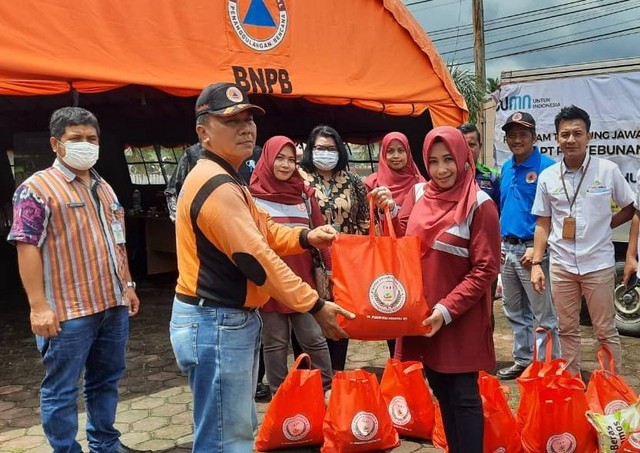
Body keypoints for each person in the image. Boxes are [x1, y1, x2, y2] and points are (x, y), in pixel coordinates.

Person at [170, 82, 353, 452]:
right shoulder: (216, 185)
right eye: (231, 120)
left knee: (228, 427)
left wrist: (305, 238)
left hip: (220, 320)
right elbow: (257, 257)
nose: (246, 128)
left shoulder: (228, 178)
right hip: (216, 321)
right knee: (226, 436)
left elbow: (264, 229)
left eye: (249, 119)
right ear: (203, 132)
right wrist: (315, 305)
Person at [7, 107, 146, 453]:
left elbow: (118, 240)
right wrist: (39, 307)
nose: (86, 145)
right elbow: (26, 247)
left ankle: (105, 444)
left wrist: (127, 286)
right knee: (62, 389)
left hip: (111, 304)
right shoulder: (36, 188)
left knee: (106, 382)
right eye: (76, 139)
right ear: (56, 144)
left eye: (91, 139)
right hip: (68, 312)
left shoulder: (105, 188)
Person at [370, 126, 500, 453]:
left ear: (463, 158)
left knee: (464, 395)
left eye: (448, 160)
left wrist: (445, 310)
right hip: (422, 313)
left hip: (459, 316)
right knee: (440, 388)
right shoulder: (418, 193)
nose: (442, 169)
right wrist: (391, 209)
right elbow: (407, 240)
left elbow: (486, 268)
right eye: (434, 161)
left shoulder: (479, 204)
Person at [531, 105, 634, 375]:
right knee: (566, 329)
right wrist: (536, 263)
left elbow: (632, 208)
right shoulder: (548, 177)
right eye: (565, 134)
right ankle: (572, 385)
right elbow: (543, 221)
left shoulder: (607, 170)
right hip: (562, 265)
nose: (571, 139)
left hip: (598, 264)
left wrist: (608, 227)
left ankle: (611, 388)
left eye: (578, 133)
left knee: (605, 330)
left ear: (589, 136)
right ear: (556, 139)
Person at [249, 135, 333, 394]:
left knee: (314, 338)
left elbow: (321, 234)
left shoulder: (305, 195)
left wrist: (329, 273)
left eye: (291, 160)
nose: (286, 165)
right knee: (274, 343)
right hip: (270, 282)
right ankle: (281, 397)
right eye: (279, 158)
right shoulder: (251, 197)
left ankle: (327, 391)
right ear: (266, 159)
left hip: (302, 280)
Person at [299, 124, 370, 372]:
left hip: (345, 264)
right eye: (320, 148)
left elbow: (364, 222)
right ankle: (310, 379)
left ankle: (336, 375)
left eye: (331, 148)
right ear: (310, 149)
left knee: (339, 319)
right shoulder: (298, 178)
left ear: (340, 150)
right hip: (309, 261)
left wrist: (359, 258)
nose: (325, 153)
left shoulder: (353, 181)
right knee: (308, 319)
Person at [497, 111, 561, 380]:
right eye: (512, 135)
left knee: (543, 316)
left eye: (523, 134)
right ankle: (523, 360)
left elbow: (557, 213)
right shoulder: (506, 167)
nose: (517, 139)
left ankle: (549, 369)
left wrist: (538, 250)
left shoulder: (548, 167)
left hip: (532, 252)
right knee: (514, 312)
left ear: (534, 137)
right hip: (507, 250)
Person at [364, 131, 425, 357]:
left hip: (411, 257)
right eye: (390, 151)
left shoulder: (420, 184)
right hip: (382, 258)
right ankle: (396, 361)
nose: (396, 156)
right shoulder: (372, 183)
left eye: (401, 151)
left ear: (409, 153)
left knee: (410, 306)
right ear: (383, 153)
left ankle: (414, 360)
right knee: (387, 306)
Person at [458, 123, 500, 208]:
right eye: (462, 145)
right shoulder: (448, 177)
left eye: (472, 145)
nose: (468, 150)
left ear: (480, 146)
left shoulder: (493, 177)